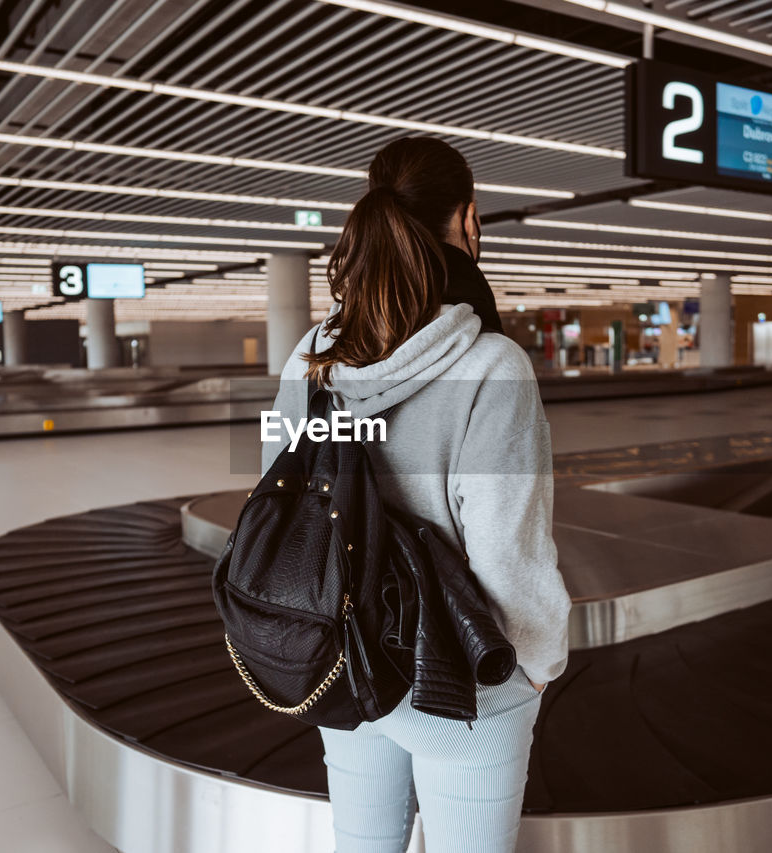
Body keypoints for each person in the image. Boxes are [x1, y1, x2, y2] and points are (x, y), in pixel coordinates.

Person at [262, 137, 572, 853]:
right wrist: (533, 665)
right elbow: (504, 544)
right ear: (467, 219)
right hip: (456, 682)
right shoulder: (493, 365)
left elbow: (281, 502)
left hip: (339, 656)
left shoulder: (310, 357)